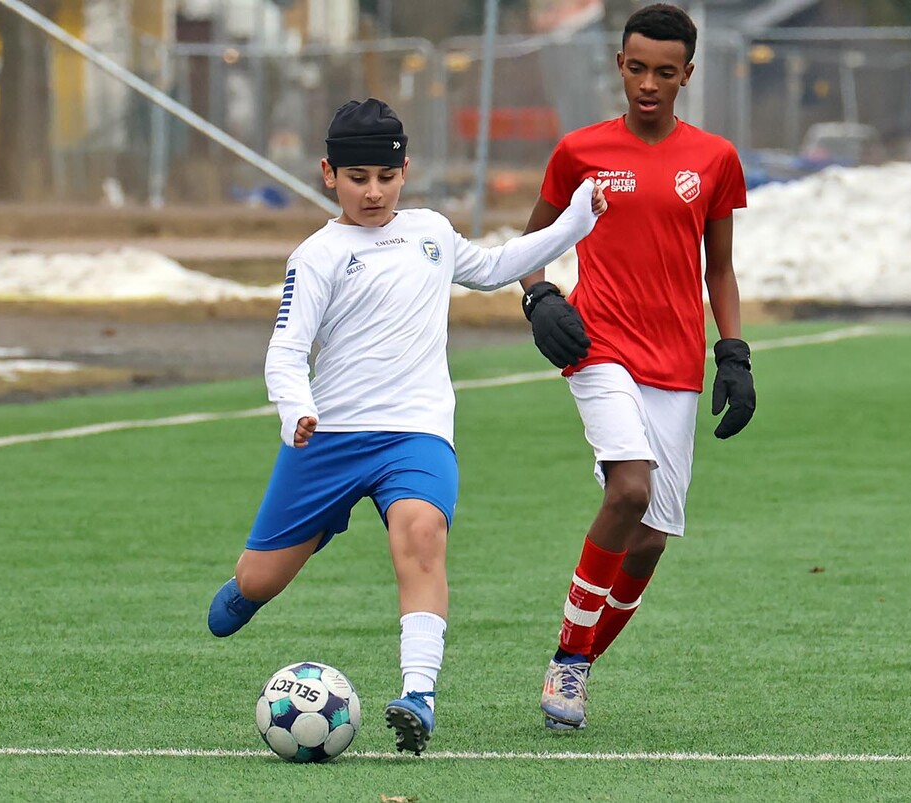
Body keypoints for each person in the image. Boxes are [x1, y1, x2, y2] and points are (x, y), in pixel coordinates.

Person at [205, 98, 607, 754]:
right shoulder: (317, 255)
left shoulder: (431, 232)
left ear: (405, 172)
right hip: (329, 439)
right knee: (254, 584)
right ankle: (296, 546)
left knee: (422, 537)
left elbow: (496, 268)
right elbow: (287, 349)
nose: (373, 192)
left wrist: (576, 222)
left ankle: (418, 695)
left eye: (386, 177)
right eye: (357, 177)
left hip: (416, 434)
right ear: (329, 174)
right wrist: (295, 408)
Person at [517, 4, 756, 730]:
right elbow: (530, 245)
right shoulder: (579, 151)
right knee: (629, 489)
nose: (649, 83)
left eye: (665, 71)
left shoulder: (714, 159)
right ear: (619, 64)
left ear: (688, 74)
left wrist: (734, 351)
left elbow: (720, 269)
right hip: (599, 346)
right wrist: (539, 298)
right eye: (637, 68)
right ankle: (568, 659)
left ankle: (579, 663)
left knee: (650, 538)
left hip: (676, 359)